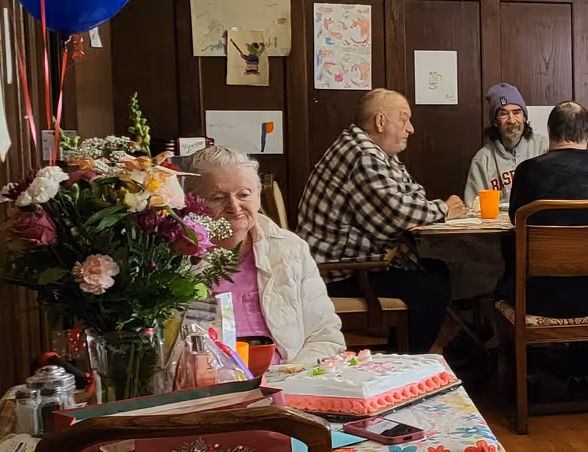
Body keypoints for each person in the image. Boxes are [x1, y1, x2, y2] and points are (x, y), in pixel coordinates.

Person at [297, 87, 463, 354]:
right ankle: (414, 361)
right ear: (380, 121)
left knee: (436, 271)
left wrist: (430, 207)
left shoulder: (376, 152)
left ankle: (414, 351)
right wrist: (444, 209)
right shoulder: (363, 154)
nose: (411, 129)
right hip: (337, 273)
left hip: (351, 264)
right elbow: (398, 216)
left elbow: (413, 193)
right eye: (404, 119)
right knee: (431, 287)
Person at [505, 101, 588, 399]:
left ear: (549, 133)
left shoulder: (528, 171)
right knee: (587, 270)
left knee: (509, 259)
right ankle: (580, 376)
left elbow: (514, 219)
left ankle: (527, 375)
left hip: (534, 297)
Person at [188, 146, 344, 367]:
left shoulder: (289, 249)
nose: (234, 206)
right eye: (218, 197)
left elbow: (325, 335)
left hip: (289, 381)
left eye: (244, 194)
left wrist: (291, 374)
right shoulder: (179, 260)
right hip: (213, 388)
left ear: (258, 196)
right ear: (194, 203)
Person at [462, 83, 547, 211]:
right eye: (504, 114)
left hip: (537, 226)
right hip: (497, 230)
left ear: (524, 117)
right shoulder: (483, 160)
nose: (511, 120)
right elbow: (472, 209)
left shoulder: (544, 148)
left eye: (517, 112)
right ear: (495, 121)